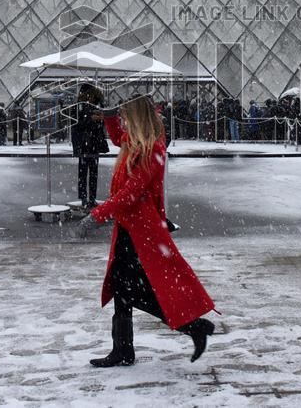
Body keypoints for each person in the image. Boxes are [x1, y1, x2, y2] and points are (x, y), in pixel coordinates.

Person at [76, 95, 216, 367]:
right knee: (123, 287)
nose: (124, 122)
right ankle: (124, 349)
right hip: (129, 228)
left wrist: (97, 215)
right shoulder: (137, 142)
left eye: (127, 116)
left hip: (141, 231)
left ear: (138, 118)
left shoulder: (153, 149)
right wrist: (109, 115)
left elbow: (131, 193)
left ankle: (191, 327)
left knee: (134, 290)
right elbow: (118, 138)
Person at [72, 84, 108, 211]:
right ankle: (85, 198)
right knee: (86, 172)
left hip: (92, 143)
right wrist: (91, 119)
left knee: (91, 172)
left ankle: (90, 198)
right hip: (85, 143)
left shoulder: (96, 105)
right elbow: (76, 125)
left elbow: (77, 125)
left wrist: (100, 118)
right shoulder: (78, 107)